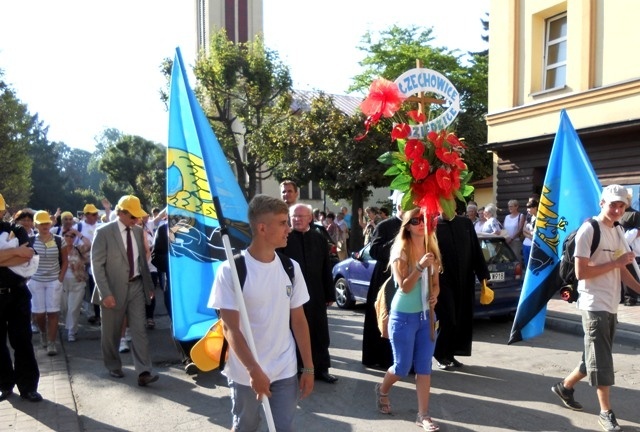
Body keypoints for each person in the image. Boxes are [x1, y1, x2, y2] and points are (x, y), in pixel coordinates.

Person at [210, 195, 314, 431]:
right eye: (282, 223)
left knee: (282, 428)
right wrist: (253, 370)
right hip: (245, 370)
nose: (288, 229)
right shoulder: (232, 270)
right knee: (246, 427)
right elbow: (230, 327)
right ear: (262, 228)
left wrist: (308, 366)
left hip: (284, 368)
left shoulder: (290, 268)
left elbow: (298, 321)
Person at [551, 184, 640, 432]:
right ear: (602, 203)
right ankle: (606, 412)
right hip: (593, 303)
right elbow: (581, 273)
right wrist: (616, 262)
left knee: (594, 354)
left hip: (611, 304)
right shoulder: (589, 230)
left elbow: (622, 270)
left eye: (622, 205)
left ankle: (565, 387)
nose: (617, 209)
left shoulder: (619, 230)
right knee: (602, 358)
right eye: (613, 204)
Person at [374, 208, 441, 431]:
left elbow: (436, 283)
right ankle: (382, 390)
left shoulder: (432, 247)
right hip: (403, 317)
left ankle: (423, 415)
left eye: (424, 219)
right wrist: (420, 266)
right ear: (407, 226)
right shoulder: (400, 251)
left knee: (424, 367)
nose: (421, 223)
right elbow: (404, 286)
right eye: (415, 220)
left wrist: (435, 296)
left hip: (427, 318)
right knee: (402, 368)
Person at [90, 195, 159, 386]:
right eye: (133, 216)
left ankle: (144, 371)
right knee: (111, 331)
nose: (137, 220)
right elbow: (97, 265)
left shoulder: (138, 231)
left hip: (136, 286)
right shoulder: (103, 232)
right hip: (112, 289)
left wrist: (149, 286)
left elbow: (142, 263)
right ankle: (113, 366)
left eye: (138, 216)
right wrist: (105, 293)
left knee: (139, 329)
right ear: (121, 213)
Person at [281, 204, 337, 383]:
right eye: (294, 216)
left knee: (319, 332)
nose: (297, 219)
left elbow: (326, 267)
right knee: (293, 331)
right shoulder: (284, 238)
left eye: (301, 216)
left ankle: (321, 368)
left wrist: (329, 293)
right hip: (290, 294)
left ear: (310, 218)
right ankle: (296, 369)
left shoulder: (319, 238)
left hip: (316, 292)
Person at [433, 212, 490, 370]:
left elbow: (475, 250)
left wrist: (483, 274)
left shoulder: (465, 224)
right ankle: (440, 354)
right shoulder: (433, 225)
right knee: (448, 317)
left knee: (460, 318)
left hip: (464, 279)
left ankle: (450, 354)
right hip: (443, 281)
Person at [0, 194, 43, 402]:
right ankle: (4, 384)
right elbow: (20, 254)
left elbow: (28, 255)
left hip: (17, 294)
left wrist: (17, 252)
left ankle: (28, 387)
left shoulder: (16, 230)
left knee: (23, 340)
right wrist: (13, 252)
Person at [362, 196, 403, 369]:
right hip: (386, 277)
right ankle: (380, 358)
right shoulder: (384, 225)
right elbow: (375, 251)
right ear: (400, 206)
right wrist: (400, 238)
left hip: (411, 278)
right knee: (383, 317)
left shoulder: (419, 225)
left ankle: (403, 359)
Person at [28, 210, 67, 356]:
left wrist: (60, 279)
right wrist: (29, 278)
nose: (45, 225)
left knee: (53, 311)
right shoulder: (31, 240)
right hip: (36, 280)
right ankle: (43, 333)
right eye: (41, 223)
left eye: (47, 223)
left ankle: (51, 342)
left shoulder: (58, 239)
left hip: (53, 280)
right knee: (39, 313)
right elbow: (25, 261)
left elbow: (65, 261)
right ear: (36, 225)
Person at [60, 227, 91, 342]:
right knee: (64, 308)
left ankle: (71, 332)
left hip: (77, 281)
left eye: (71, 236)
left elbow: (89, 244)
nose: (69, 238)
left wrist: (78, 233)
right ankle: (70, 326)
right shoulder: (58, 249)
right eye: (66, 236)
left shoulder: (79, 249)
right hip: (62, 282)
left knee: (73, 308)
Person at [81, 203, 103, 326]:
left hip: (96, 262)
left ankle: (98, 314)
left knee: (95, 287)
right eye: (93, 214)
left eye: (96, 214)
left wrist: (106, 209)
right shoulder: (78, 226)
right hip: (82, 263)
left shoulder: (100, 226)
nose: (96, 216)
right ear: (86, 215)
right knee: (85, 291)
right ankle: (90, 313)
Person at [522, 200, 539, 270]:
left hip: (534, 245)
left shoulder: (540, 218)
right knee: (527, 265)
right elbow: (524, 230)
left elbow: (536, 232)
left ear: (535, 208)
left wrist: (530, 233)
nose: (527, 210)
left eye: (529, 207)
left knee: (534, 266)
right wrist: (530, 234)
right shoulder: (529, 217)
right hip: (526, 244)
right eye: (527, 208)